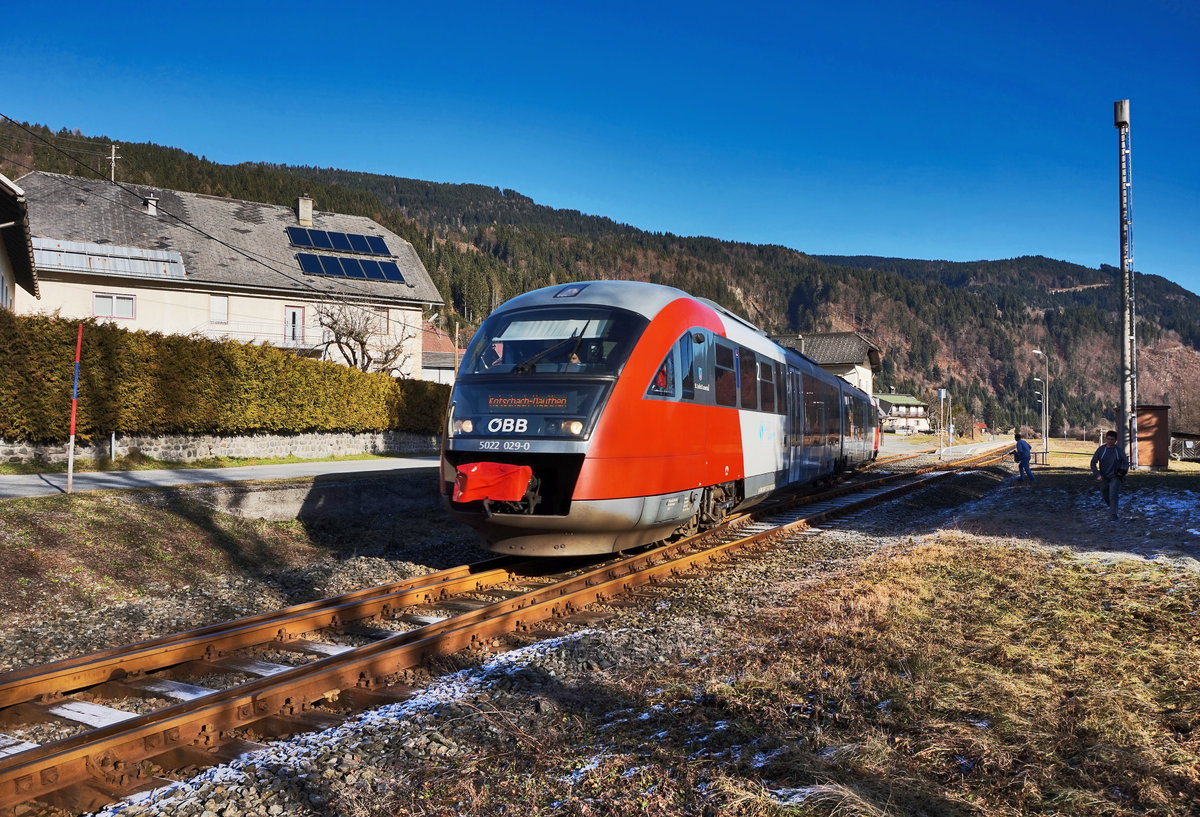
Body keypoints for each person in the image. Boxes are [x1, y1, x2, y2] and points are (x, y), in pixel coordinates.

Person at [1090, 430, 1129, 522]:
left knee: (1113, 495)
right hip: (1103, 477)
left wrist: (1122, 472)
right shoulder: (1101, 450)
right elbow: (1093, 463)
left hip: (1115, 477)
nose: (1110, 441)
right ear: (1105, 439)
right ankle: (1112, 508)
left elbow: (1126, 463)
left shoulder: (1118, 451)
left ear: (1115, 440)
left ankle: (1113, 515)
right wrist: (1097, 474)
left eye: (1112, 439)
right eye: (1108, 439)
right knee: (1105, 495)